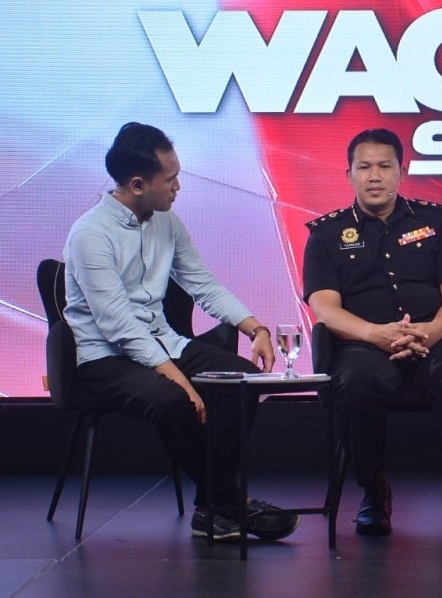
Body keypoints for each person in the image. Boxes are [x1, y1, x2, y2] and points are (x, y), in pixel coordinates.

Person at [63, 122, 300, 541]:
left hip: (162, 342)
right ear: (138, 184)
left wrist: (254, 326)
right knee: (175, 401)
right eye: (170, 179)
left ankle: (215, 507)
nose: (178, 187)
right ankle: (228, 504)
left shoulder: (166, 222)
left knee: (241, 380)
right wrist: (177, 378)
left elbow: (203, 284)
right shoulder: (89, 234)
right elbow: (117, 324)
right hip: (105, 358)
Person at [302, 128, 442, 540]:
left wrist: (433, 330)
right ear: (348, 174)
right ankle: (374, 490)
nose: (374, 176)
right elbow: (324, 308)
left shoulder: (436, 223)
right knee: (355, 383)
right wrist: (374, 334)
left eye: (384, 166)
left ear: (401, 172)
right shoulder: (326, 234)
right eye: (364, 167)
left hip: (437, 339)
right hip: (362, 345)